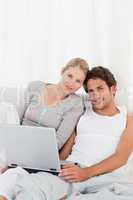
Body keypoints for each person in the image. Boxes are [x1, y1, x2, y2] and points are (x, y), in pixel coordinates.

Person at [1, 66, 133, 200]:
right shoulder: (81, 110)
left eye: (100, 89)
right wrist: (56, 168)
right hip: (72, 171)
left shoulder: (128, 119)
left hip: (106, 178)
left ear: (113, 89)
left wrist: (86, 173)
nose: (95, 95)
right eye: (91, 91)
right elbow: (68, 146)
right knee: (29, 185)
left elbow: (121, 157)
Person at [0, 57, 89, 200]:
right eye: (70, 76)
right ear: (62, 72)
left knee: (13, 176)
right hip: (17, 146)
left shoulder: (75, 104)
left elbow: (58, 141)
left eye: (78, 81)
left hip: (40, 157)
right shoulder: (35, 87)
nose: (72, 83)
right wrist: (12, 154)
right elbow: (17, 121)